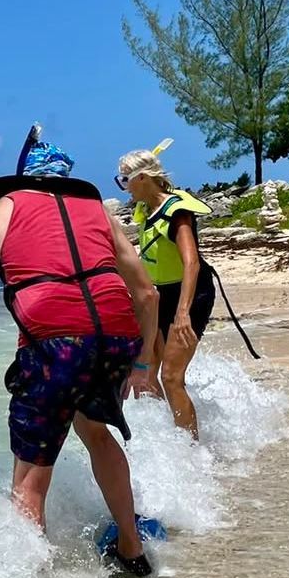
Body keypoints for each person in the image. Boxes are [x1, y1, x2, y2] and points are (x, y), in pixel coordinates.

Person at [0, 126, 162, 576]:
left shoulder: (1, 209)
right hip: (115, 338)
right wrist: (141, 363)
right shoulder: (100, 213)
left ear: (23, 178)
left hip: (54, 346)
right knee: (96, 433)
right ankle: (131, 547)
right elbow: (147, 294)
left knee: (31, 474)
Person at [115, 141, 215, 440]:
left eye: (125, 180)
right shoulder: (147, 211)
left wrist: (183, 313)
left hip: (191, 295)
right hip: (161, 296)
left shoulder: (177, 212)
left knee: (171, 377)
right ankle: (168, 440)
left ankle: (193, 449)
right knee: (146, 372)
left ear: (142, 178)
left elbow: (191, 263)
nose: (124, 187)